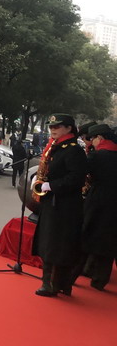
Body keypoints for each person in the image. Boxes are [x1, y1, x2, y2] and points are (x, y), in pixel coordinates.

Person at [31, 113, 88, 297]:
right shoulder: (56, 147)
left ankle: (52, 285)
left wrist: (51, 185)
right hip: (53, 203)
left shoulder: (73, 150)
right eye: (51, 126)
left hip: (64, 206)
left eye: (57, 126)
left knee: (57, 245)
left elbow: (76, 178)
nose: (53, 129)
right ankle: (57, 284)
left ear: (69, 128)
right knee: (51, 243)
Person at [77, 124, 117, 290]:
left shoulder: (97, 156)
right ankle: (100, 280)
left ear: (100, 138)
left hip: (97, 200)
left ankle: (71, 276)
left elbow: (80, 172)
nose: (91, 141)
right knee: (108, 240)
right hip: (114, 204)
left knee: (85, 235)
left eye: (92, 138)